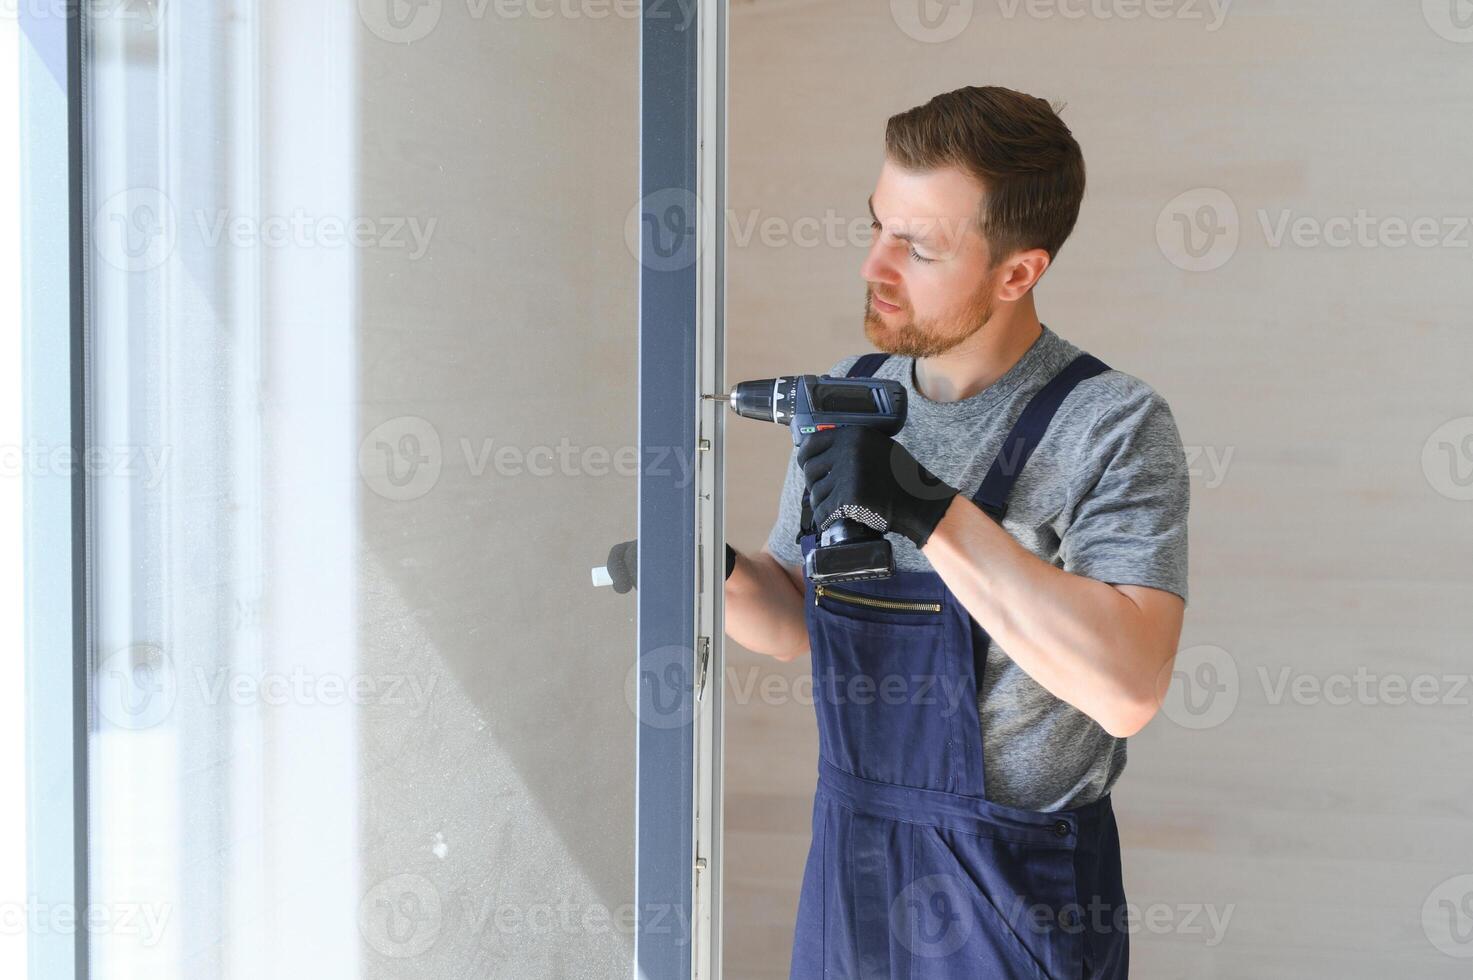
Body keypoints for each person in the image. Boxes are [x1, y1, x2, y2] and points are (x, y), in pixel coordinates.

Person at [724, 85, 1190, 979]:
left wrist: (926, 509)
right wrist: (709, 568)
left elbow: (1128, 687)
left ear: (1018, 272)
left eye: (918, 246)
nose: (874, 267)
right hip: (851, 857)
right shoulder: (849, 389)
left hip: (1009, 887)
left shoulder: (1110, 423)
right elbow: (792, 621)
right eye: (877, 227)